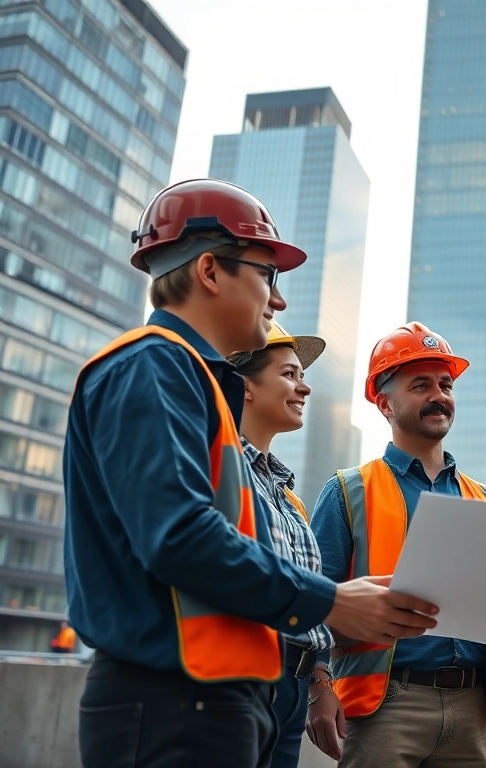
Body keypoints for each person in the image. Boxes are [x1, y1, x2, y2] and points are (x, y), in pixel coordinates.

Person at [64, 179, 439, 768]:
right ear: (210, 271)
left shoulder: (192, 381)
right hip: (172, 699)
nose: (278, 300)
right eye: (268, 275)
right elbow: (179, 536)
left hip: (212, 696)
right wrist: (331, 601)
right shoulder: (151, 366)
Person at [309, 322, 486, 768]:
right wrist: (319, 687)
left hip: (472, 709)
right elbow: (313, 599)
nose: (439, 395)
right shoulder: (346, 492)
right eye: (421, 385)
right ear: (385, 403)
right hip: (383, 705)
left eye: (445, 384)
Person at [227, 321, 332, 768]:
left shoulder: (289, 496)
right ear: (245, 387)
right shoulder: (224, 473)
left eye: (302, 377)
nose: (304, 388)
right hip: (242, 679)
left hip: (292, 689)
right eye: (290, 375)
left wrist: (320, 682)